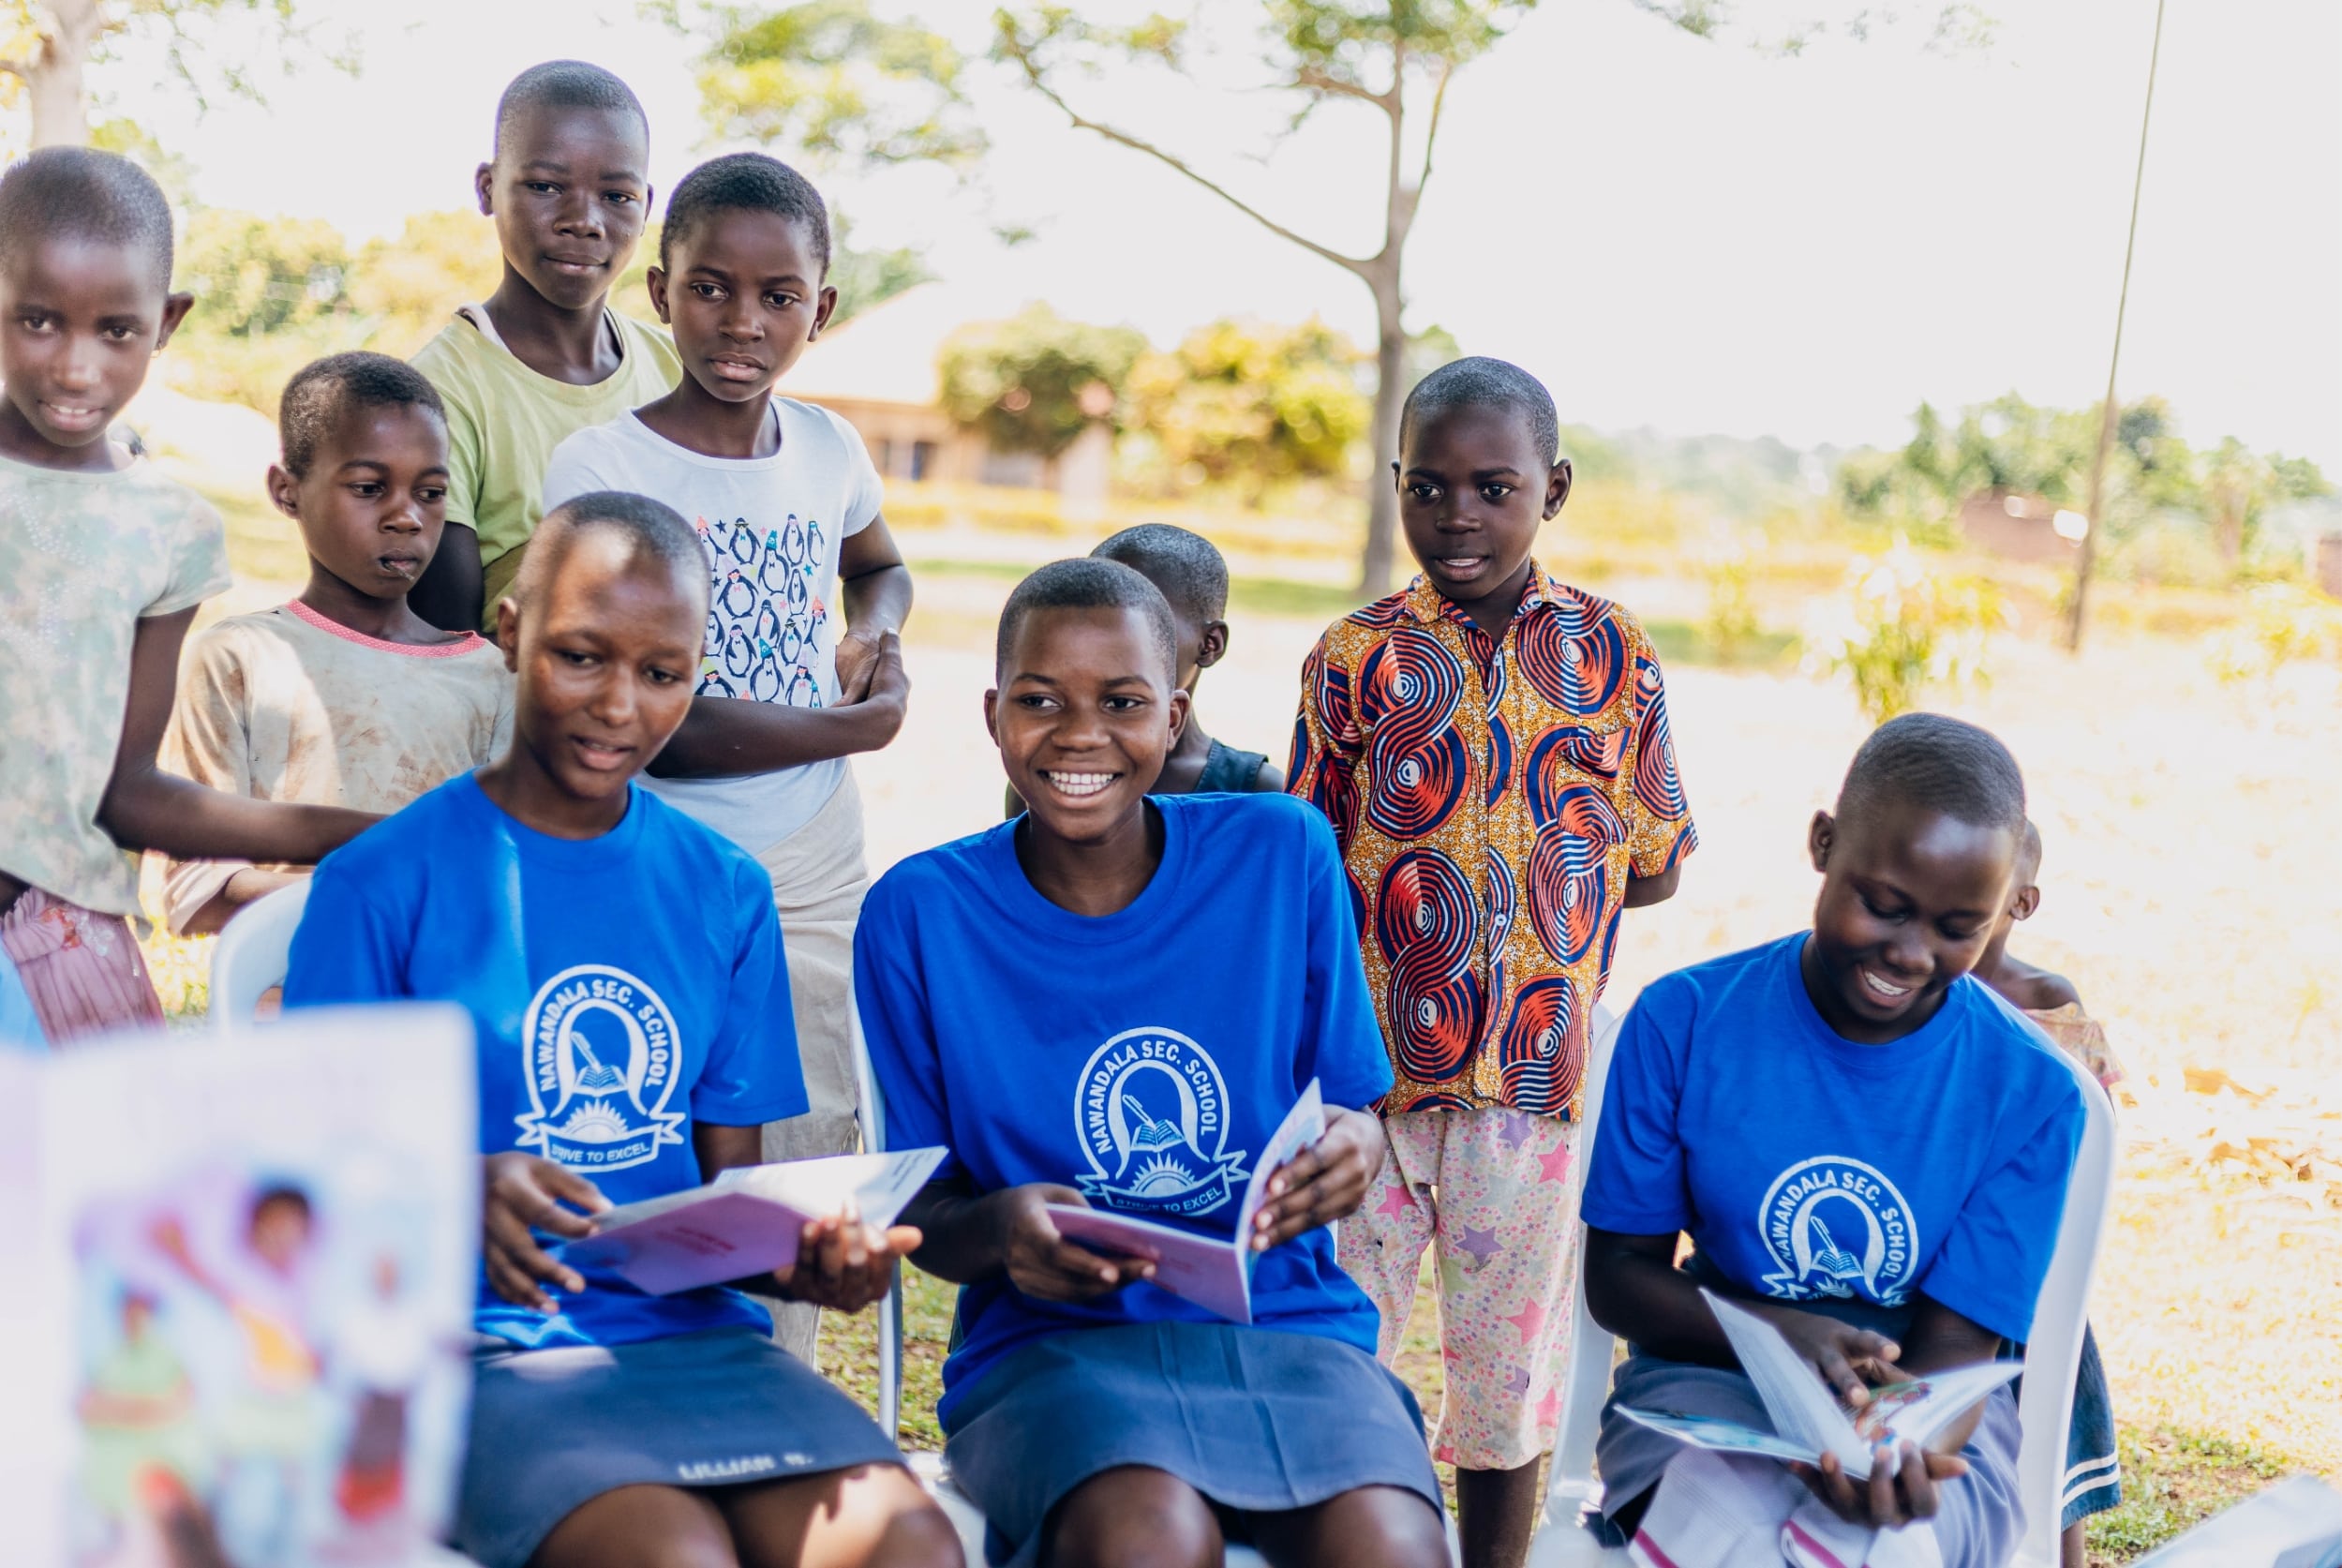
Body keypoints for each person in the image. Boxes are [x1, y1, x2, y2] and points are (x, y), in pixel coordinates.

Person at [281, 493, 957, 1568]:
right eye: (581, 656)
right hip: (478, 1349)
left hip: (693, 1343)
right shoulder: (383, 883)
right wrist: (452, 1183)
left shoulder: (724, 889)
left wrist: (813, 1261)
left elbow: (721, 1218)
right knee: (672, 1555)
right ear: (510, 630)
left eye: (663, 673)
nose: (619, 707)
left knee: (909, 1547)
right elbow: (293, 1191)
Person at [858, 559, 1449, 1568]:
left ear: (1175, 715)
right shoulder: (923, 913)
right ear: (995, 714)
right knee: (1148, 1537)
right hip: (1055, 1352)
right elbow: (929, 1219)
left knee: (1389, 1541)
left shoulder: (1280, 853)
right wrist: (1003, 1227)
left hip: (1289, 1332)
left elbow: (1347, 1109)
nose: (1081, 733)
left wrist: (1350, 1146)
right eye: (1041, 700)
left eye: (1123, 701)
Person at [1287, 356, 1695, 1568]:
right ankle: (1322, 1532)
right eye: (1427, 487)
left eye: (1491, 487)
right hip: (1365, 1087)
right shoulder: (1352, 657)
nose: (1455, 515)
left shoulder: (1608, 650)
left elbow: (1659, 851)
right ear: (1397, 485)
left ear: (1550, 489)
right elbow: (1304, 860)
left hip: (1529, 1087)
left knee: (1502, 1372)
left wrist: (1552, 885)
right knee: (1332, 1342)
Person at [539, 152, 912, 1362]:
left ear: (822, 308)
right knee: (646, 1114)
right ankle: (637, 1377)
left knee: (798, 1139)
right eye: (710, 288)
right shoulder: (602, 468)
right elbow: (658, 724)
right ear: (659, 289)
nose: (741, 322)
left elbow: (878, 562)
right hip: (655, 851)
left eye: (776, 295)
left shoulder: (826, 448)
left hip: (810, 855)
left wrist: (879, 633)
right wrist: (854, 727)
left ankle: (775, 1381)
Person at [1579, 713, 2087, 1568]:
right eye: (1882, 906)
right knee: (1725, 1527)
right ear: (1822, 843)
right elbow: (1619, 1278)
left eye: (1958, 928)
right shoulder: (1686, 1022)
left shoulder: (2030, 1090)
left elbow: (1958, 1350)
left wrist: (1892, 1443)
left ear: (2002, 913)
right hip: (1713, 1376)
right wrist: (1776, 1335)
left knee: (1887, 1545)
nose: (1910, 952)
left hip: (1925, 1410)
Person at [0, 148, 372, 1043]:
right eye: (39, 321)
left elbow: (124, 792)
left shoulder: (169, 530)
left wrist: (358, 831)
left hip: (57, 951)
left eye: (116, 331)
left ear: (165, 323)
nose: (78, 368)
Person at [160, 352, 512, 936]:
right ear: (286, 491)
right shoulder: (239, 658)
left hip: (441, 1009)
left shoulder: (492, 677)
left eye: (430, 492)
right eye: (370, 488)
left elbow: (504, 876)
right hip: (290, 1004)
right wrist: (383, 896)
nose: (406, 518)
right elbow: (199, 893)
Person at [405, 61, 681, 635]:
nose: (583, 221)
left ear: (646, 205)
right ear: (488, 189)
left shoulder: (678, 367)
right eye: (545, 186)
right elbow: (453, 644)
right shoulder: (438, 393)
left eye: (616, 195)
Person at [1972, 820, 2122, 1566]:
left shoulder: (2048, 1003)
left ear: (2022, 902)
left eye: (1980, 890)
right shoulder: (1906, 991)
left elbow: (2092, 1137)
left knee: (2052, 1417)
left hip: (2035, 1258)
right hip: (1935, 1252)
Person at [1004, 523, 1283, 816]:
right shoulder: (1050, 776)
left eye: (1149, 622)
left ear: (1209, 644)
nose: (1116, 640)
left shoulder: (1256, 792)